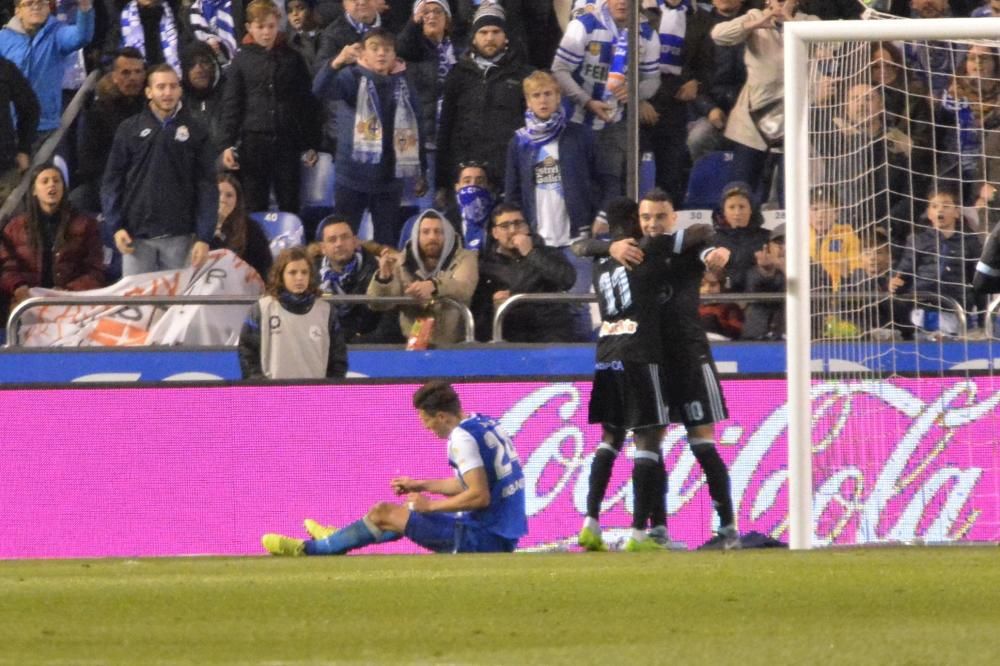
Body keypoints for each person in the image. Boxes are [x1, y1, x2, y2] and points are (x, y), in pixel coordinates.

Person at [574, 188, 740, 551]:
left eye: (659, 217)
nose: (652, 223)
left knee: (701, 444)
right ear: (637, 221)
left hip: (689, 358)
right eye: (646, 217)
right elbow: (582, 246)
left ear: (673, 217)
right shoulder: (640, 252)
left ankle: (727, 528)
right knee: (652, 441)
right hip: (650, 357)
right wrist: (611, 246)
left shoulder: (677, 248)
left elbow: (705, 241)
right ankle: (656, 528)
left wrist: (717, 253)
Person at [261, 379, 528, 555]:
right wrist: (419, 484)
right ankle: (340, 537)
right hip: (500, 531)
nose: (426, 426)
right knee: (399, 514)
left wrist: (430, 505)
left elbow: (479, 496)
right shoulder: (484, 422)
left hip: (483, 539)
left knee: (385, 512)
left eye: (426, 420)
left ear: (442, 416)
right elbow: (468, 484)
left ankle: (313, 549)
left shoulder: (461, 437)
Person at [314, 28, 426, 247]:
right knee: (344, 241)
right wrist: (336, 62)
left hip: (389, 179)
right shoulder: (351, 77)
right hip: (352, 178)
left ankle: (382, 281)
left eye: (387, 49)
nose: (381, 54)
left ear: (395, 55)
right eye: (375, 48)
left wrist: (422, 169)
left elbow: (417, 125)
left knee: (386, 244)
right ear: (363, 53)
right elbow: (319, 89)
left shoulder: (404, 83)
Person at [102, 64, 217, 275]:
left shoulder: (197, 131)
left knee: (176, 307)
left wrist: (203, 236)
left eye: (173, 86)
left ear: (180, 90)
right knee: (137, 306)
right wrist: (116, 226)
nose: (167, 92)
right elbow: (112, 180)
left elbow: (207, 186)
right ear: (148, 92)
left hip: (180, 236)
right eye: (161, 86)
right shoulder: (129, 129)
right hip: (136, 237)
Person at [711, 0, 819, 205]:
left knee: (791, 191)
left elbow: (832, 45)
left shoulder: (809, 21)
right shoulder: (754, 16)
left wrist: (789, 22)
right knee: (740, 187)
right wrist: (760, 21)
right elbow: (719, 34)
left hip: (794, 119)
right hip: (752, 119)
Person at [552, 0, 661, 203]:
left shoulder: (647, 35)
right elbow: (559, 69)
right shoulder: (583, 25)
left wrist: (635, 93)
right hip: (575, 120)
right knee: (576, 185)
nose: (622, 2)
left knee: (611, 183)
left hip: (615, 123)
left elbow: (653, 79)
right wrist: (586, 101)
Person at [220, 0, 321, 215]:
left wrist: (311, 142)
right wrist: (227, 143)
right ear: (249, 28)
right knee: (254, 202)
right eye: (260, 27)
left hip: (288, 142)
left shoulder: (293, 58)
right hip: (254, 143)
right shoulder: (240, 60)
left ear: (278, 25)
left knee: (290, 201)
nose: (266, 32)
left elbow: (306, 103)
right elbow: (232, 104)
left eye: (271, 26)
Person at [435, 2, 533, 192]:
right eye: (483, 32)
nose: (490, 38)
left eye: (496, 31)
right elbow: (446, 129)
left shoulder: (523, 75)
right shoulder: (458, 74)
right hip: (466, 175)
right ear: (473, 38)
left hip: (509, 174)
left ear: (506, 37)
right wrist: (441, 183)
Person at [0, 163, 105, 312]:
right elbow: (6, 267)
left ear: (63, 187)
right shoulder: (14, 227)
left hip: (70, 304)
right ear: (34, 190)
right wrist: (18, 287)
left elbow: (95, 271)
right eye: (45, 181)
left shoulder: (86, 224)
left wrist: (66, 292)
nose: (52, 185)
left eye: (56, 181)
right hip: (27, 303)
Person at [366, 209, 477, 346]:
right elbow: (379, 304)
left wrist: (434, 286)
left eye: (438, 231)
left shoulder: (466, 258)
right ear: (415, 236)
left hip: (455, 346)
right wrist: (384, 278)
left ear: (448, 235)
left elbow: (463, 286)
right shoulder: (401, 262)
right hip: (411, 346)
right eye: (425, 232)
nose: (432, 237)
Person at [472, 203, 577, 342]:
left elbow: (567, 279)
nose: (513, 230)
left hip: (550, 332)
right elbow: (478, 311)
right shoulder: (485, 265)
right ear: (495, 233)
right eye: (505, 226)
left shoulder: (549, 253)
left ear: (527, 227)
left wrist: (531, 253)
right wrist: (493, 305)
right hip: (508, 333)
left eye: (518, 223)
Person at [238, 245, 348, 379]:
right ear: (281, 275)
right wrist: (259, 382)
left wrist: (328, 387)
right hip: (273, 394)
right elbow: (247, 351)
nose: (299, 277)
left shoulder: (325, 311)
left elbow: (338, 358)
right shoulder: (262, 309)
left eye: (304, 272)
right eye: (293, 272)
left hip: (315, 393)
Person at [890, 184, 982, 337]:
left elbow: (979, 280)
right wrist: (895, 281)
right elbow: (904, 271)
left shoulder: (969, 242)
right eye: (935, 206)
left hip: (957, 310)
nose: (940, 210)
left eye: (946, 206)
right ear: (929, 213)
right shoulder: (918, 240)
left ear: (957, 212)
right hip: (923, 309)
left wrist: (982, 319)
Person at [0, 0, 94, 143]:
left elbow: (81, 36)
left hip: (44, 127)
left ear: (48, 8)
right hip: (7, 126)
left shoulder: (57, 34)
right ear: (17, 10)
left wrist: (85, 7)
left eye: (41, 3)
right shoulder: (3, 39)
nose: (36, 7)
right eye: (29, 3)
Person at [71, 47, 144, 214]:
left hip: (149, 181)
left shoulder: (153, 106)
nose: (133, 78)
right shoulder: (96, 111)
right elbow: (88, 162)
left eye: (138, 72)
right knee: (77, 200)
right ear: (114, 77)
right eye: (126, 73)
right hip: (109, 181)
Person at [310, 214, 386, 342]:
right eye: (332, 240)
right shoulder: (309, 274)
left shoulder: (378, 271)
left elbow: (385, 324)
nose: (339, 244)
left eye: (345, 237)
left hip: (366, 347)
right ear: (323, 248)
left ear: (355, 242)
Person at [213, 172, 273, 280]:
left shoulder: (252, 230)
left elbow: (264, 270)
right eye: (218, 194)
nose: (222, 199)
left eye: (229, 195)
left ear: (237, 201)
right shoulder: (199, 229)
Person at [712, 181, 769, 293]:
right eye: (731, 207)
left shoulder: (767, 238)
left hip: (758, 300)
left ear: (751, 209)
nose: (737, 212)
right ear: (724, 211)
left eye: (742, 207)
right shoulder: (712, 240)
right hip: (723, 302)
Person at [0, 53, 38, 203]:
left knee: (9, 224)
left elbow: (30, 107)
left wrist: (24, 149)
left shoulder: (4, 68)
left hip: (4, 169)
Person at [742, 222, 786, 340]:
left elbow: (810, 288)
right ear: (769, 246)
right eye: (778, 243)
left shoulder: (812, 267)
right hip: (758, 333)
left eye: (789, 242)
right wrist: (766, 271)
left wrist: (785, 268)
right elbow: (754, 287)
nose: (783, 248)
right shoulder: (756, 269)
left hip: (796, 334)